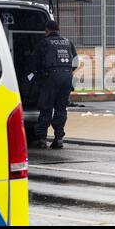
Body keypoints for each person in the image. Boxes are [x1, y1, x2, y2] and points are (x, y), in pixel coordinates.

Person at [31, 20, 78, 149]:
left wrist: (35, 76)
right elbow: (75, 62)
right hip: (67, 77)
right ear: (58, 29)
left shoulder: (44, 43)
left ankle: (41, 139)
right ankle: (58, 139)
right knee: (61, 108)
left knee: (46, 108)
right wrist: (67, 71)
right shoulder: (68, 42)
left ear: (46, 30)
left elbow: (34, 62)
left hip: (50, 77)